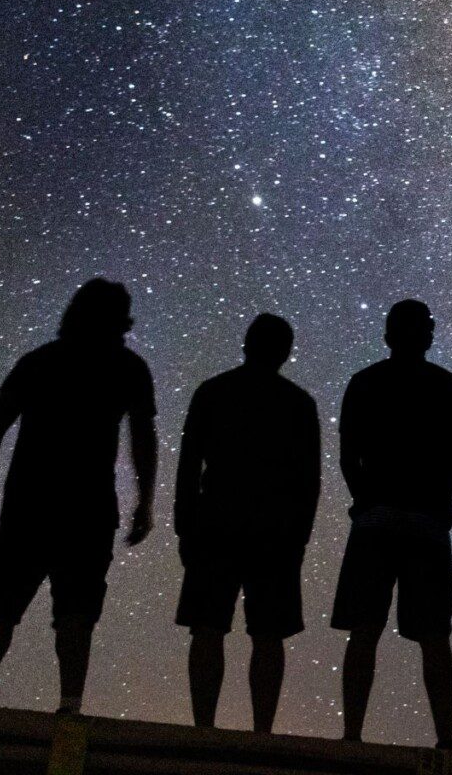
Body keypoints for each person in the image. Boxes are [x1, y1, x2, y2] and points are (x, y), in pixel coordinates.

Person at [0, 278, 158, 715]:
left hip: (29, 503)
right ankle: (69, 707)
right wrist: (145, 500)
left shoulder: (39, 362)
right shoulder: (128, 368)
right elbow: (142, 437)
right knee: (77, 611)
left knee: (2, 605)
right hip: (88, 508)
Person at [330, 299, 452, 750]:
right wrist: (437, 499)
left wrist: (364, 497)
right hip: (426, 524)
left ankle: (353, 734)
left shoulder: (365, 383)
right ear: (427, 335)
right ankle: (445, 739)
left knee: (365, 629)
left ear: (388, 334)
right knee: (434, 634)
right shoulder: (448, 387)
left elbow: (348, 454)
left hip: (375, 520)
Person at [174, 313, 320, 733]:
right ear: (285, 352)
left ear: (246, 344)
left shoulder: (213, 392)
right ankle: (262, 731)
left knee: (207, 628)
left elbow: (188, 466)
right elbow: (309, 481)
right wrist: (300, 538)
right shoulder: (298, 404)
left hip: (216, 524)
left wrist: (185, 525)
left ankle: (204, 726)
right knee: (268, 635)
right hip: (275, 532)